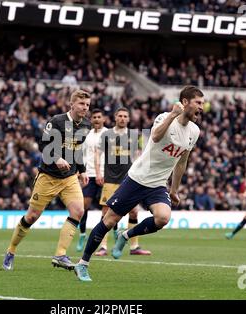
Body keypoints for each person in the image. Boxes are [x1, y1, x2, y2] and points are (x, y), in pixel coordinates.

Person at [74, 85, 204, 281]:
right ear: (185, 102)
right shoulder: (164, 117)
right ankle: (82, 264)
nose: (202, 107)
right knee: (109, 220)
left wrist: (175, 189)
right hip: (137, 179)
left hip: (158, 184)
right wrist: (171, 115)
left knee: (163, 218)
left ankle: (126, 236)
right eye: (198, 103)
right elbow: (156, 136)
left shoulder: (195, 131)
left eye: (203, 103)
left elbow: (182, 161)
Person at [2, 89, 91, 271]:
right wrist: (56, 158)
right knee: (32, 216)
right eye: (81, 104)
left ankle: (60, 255)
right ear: (71, 104)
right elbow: (44, 144)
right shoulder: (57, 121)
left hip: (69, 178)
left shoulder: (86, 125)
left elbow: (78, 149)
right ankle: (11, 251)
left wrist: (82, 170)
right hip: (48, 177)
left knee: (78, 211)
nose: (85, 108)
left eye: (87, 105)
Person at [93, 107, 151, 256]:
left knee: (133, 211)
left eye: (125, 116)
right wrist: (98, 172)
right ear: (115, 117)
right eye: (120, 116)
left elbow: (139, 155)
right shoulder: (107, 134)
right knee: (106, 212)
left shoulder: (133, 135)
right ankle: (103, 247)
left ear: (129, 119)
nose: (123, 118)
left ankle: (134, 247)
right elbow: (97, 154)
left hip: (129, 180)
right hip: (110, 179)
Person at [76, 108, 108, 252]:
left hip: (104, 175)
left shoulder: (108, 134)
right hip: (89, 174)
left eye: (98, 117)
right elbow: (82, 154)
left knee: (106, 209)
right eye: (94, 117)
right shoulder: (87, 135)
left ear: (103, 119)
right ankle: (82, 234)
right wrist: (79, 170)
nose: (96, 119)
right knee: (83, 206)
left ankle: (102, 243)